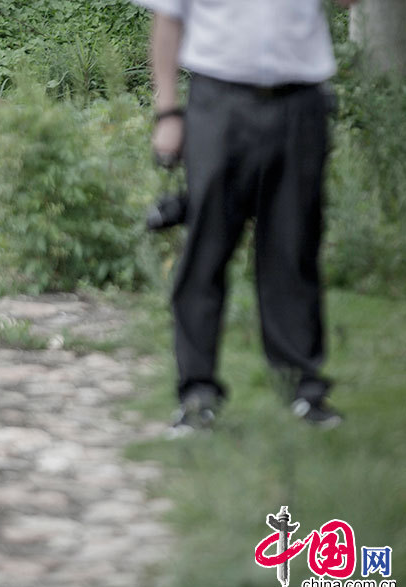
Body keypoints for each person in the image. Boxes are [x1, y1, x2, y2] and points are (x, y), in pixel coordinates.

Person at [132, 0, 359, 431]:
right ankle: (197, 393)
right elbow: (167, 18)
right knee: (206, 250)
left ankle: (304, 391)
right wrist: (167, 112)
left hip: (300, 101)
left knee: (294, 247)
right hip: (219, 101)